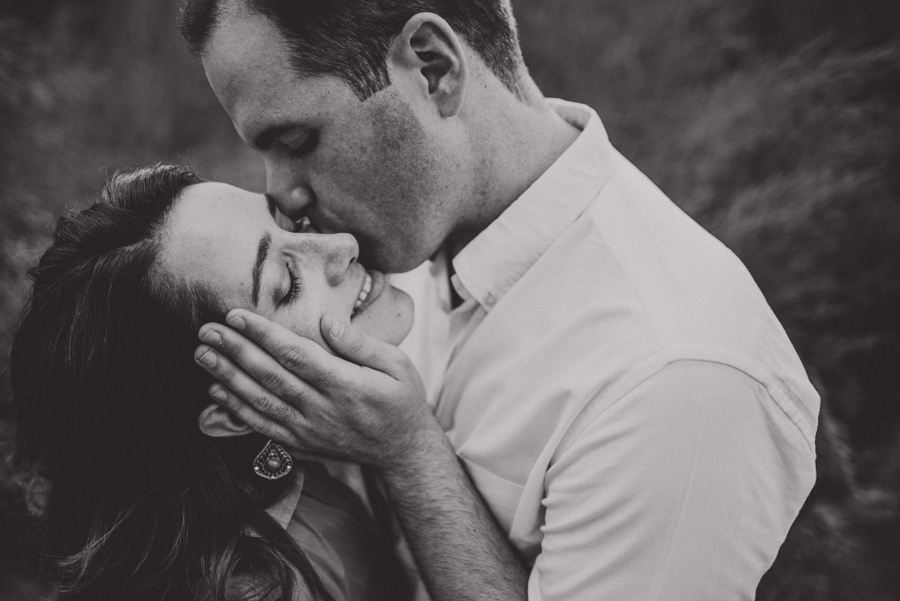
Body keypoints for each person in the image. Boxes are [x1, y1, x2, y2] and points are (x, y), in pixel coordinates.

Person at [180, 1, 822, 599]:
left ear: (432, 69)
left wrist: (409, 455)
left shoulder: (674, 375)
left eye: (297, 142)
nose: (281, 193)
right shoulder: (398, 242)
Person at [10, 165, 414, 601]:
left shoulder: (322, 449)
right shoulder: (267, 588)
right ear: (231, 410)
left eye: (291, 225)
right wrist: (410, 449)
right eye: (288, 284)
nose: (342, 244)